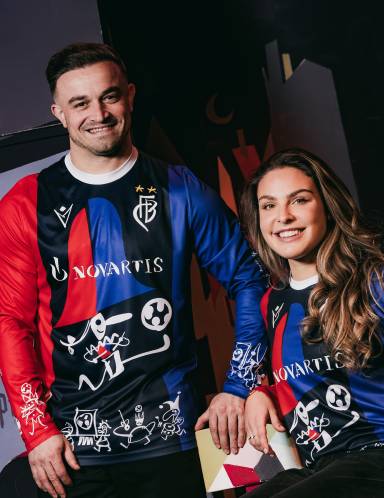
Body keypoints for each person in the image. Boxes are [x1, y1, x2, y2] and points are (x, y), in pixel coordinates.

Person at [0, 43, 268, 498]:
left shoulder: (181, 189)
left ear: (130, 96)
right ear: (59, 114)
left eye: (109, 96)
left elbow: (251, 279)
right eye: (80, 103)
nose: (98, 114)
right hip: (73, 449)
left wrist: (240, 385)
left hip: (175, 440)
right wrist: (36, 430)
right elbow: (10, 322)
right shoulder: (26, 202)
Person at [239, 149, 384, 497]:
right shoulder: (271, 303)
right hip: (321, 467)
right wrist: (261, 393)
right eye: (269, 205)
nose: (283, 216)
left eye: (299, 200)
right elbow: (306, 378)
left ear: (327, 206)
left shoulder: (373, 282)